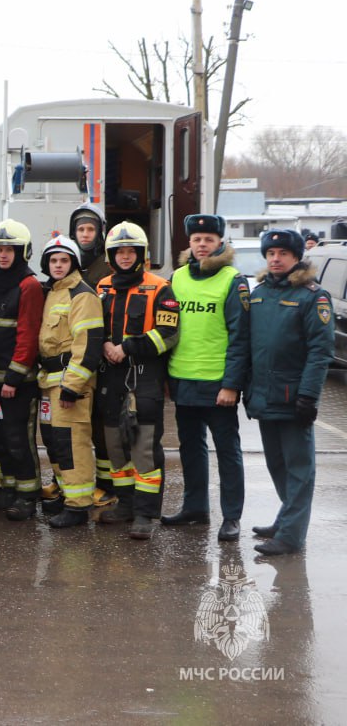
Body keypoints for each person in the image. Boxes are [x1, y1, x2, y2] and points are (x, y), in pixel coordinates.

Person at [246, 228, 334, 555]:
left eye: (283, 254)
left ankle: (292, 536)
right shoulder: (259, 294)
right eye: (271, 254)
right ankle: (287, 518)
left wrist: (308, 396)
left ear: (296, 257)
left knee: (299, 468)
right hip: (265, 395)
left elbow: (320, 351)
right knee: (277, 465)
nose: (276, 259)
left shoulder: (313, 296)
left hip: (294, 396)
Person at [164, 214, 251, 542]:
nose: (202, 244)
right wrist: (166, 378)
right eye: (197, 239)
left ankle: (231, 517)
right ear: (189, 243)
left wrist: (231, 384)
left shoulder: (232, 280)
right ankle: (195, 508)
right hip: (182, 380)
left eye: (208, 239)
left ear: (220, 243)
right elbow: (168, 329)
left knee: (227, 451)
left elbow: (240, 337)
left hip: (218, 385)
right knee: (191, 448)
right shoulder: (177, 278)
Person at [94, 222, 179, 540]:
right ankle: (126, 504)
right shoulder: (103, 286)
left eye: (131, 251)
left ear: (141, 254)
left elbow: (168, 333)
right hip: (110, 379)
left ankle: (145, 513)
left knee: (143, 448)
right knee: (116, 447)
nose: (125, 256)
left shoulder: (161, 287)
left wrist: (126, 348)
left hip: (143, 379)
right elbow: (94, 325)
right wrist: (103, 344)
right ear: (111, 255)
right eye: (120, 251)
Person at [34, 236, 104, 528]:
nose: (58, 265)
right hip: (50, 382)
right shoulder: (52, 292)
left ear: (73, 263)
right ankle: (67, 496)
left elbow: (88, 344)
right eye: (53, 261)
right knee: (56, 444)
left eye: (64, 260)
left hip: (68, 384)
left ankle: (78, 507)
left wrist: (72, 386)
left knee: (72, 444)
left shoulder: (81, 294)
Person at [0, 219, 45, 521]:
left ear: (23, 252)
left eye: (10, 250)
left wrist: (14, 377)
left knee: (19, 440)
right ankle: (8, 489)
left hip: (15, 383)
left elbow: (28, 335)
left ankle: (27, 495)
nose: (4, 255)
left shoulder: (29, 286)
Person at [66, 203, 117, 508]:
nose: (85, 235)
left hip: (103, 359)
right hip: (75, 359)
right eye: (80, 230)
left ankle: (107, 484)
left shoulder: (107, 266)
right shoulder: (69, 264)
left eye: (90, 230)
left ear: (100, 233)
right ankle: (76, 480)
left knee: (101, 424)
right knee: (76, 426)